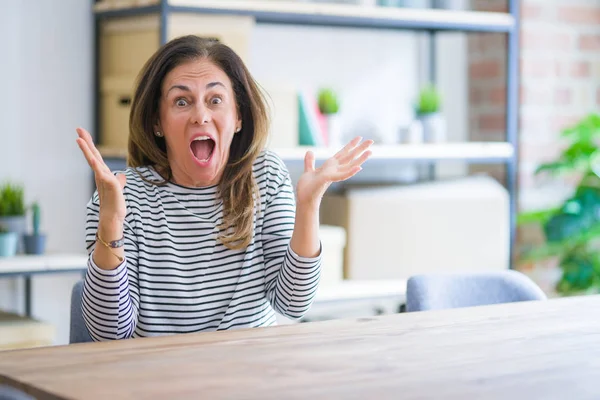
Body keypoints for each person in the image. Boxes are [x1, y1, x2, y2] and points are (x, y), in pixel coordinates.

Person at [75, 35, 372, 341]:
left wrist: (308, 207)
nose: (201, 116)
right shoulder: (121, 198)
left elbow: (292, 303)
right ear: (156, 123)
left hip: (249, 375)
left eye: (215, 100)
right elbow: (108, 334)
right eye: (181, 101)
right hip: (159, 380)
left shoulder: (266, 176)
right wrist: (111, 223)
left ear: (239, 117)